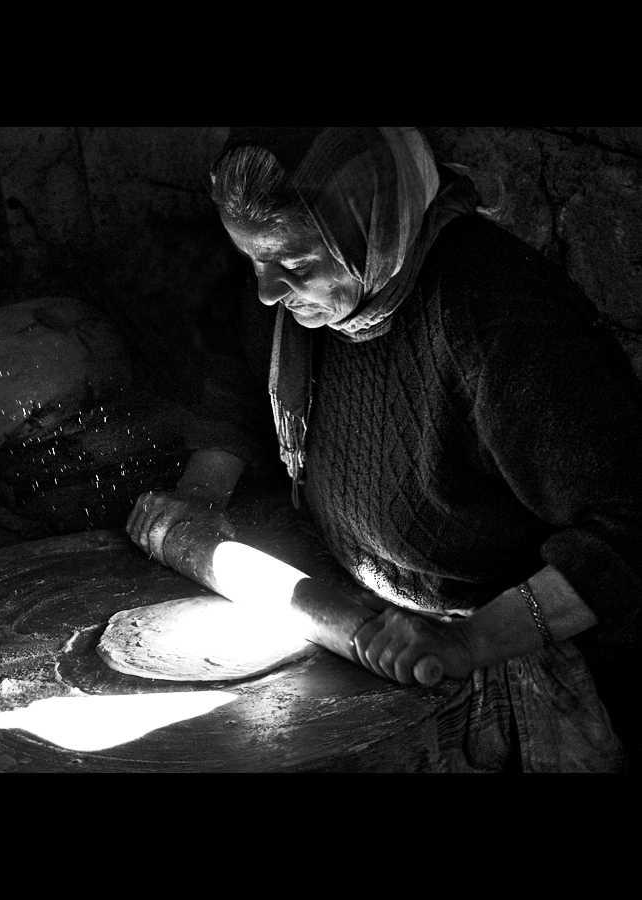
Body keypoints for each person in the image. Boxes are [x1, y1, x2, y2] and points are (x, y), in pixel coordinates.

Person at [127, 127, 642, 772]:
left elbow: (628, 528)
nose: (267, 291)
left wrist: (466, 641)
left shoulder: (492, 312)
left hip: (505, 650)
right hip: (375, 621)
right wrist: (194, 512)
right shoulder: (297, 296)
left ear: (366, 226)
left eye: (293, 266)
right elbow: (240, 399)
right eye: (252, 263)